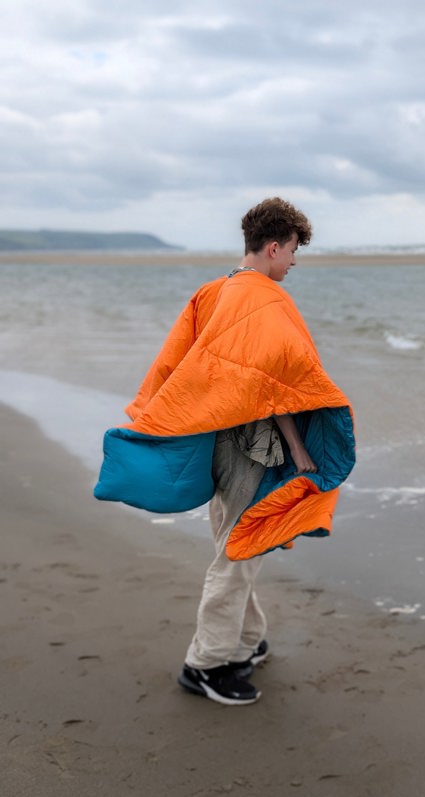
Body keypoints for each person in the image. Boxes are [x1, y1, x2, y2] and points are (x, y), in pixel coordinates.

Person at [94, 198, 355, 706]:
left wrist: (167, 421)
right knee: (238, 554)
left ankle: (245, 641)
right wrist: (300, 448)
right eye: (294, 252)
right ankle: (207, 664)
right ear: (274, 246)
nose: (294, 263)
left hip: (213, 442)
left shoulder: (211, 292)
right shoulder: (266, 301)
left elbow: (179, 365)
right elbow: (277, 381)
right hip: (250, 449)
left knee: (237, 548)